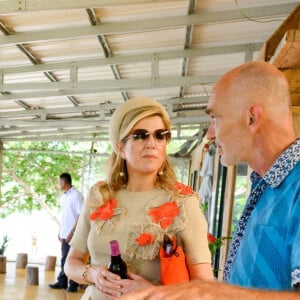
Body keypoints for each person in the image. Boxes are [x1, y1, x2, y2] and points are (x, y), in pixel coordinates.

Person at [120, 61, 300, 300]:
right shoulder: (267, 184)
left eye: (215, 118)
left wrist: (209, 291)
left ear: (252, 118)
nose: (210, 134)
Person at [64, 96, 214, 300]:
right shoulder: (98, 195)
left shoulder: (183, 201)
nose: (152, 143)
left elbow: (205, 288)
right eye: (140, 135)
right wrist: (93, 273)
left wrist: (154, 293)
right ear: (120, 148)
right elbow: (71, 263)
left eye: (160, 135)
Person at [49, 173, 83, 292]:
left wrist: (72, 232)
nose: (59, 184)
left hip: (74, 234)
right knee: (64, 259)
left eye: (59, 182)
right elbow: (65, 216)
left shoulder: (76, 195)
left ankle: (73, 285)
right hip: (64, 234)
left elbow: (81, 215)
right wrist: (61, 232)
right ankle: (62, 282)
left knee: (74, 260)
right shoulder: (64, 196)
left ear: (64, 182)